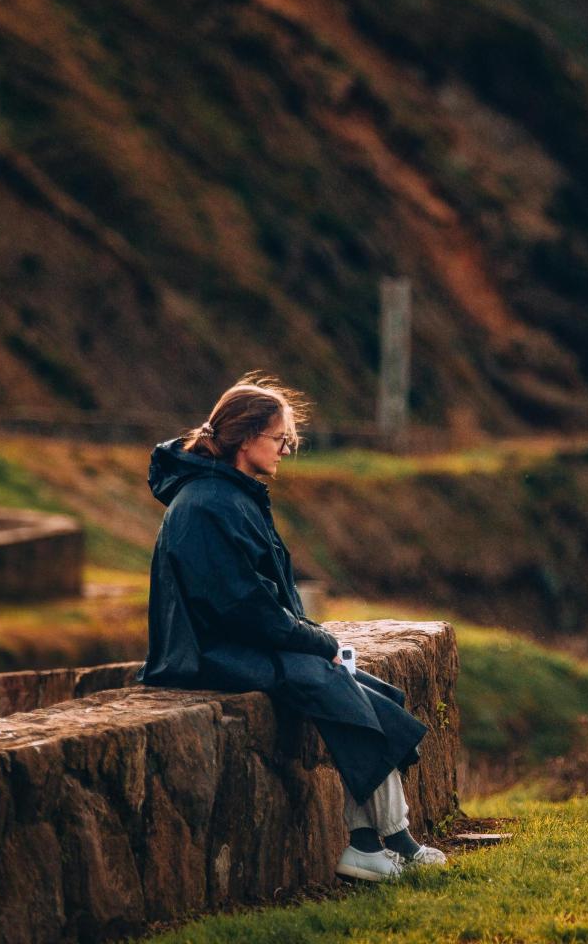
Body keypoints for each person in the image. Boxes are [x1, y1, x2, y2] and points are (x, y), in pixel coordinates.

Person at [139, 371, 446, 881]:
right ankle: (384, 844)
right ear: (245, 438)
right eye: (282, 439)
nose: (286, 450)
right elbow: (243, 607)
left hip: (236, 645)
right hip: (205, 656)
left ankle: (379, 842)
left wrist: (311, 641)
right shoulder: (206, 505)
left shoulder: (228, 495)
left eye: (290, 441)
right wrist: (316, 639)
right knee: (333, 682)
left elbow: (256, 602)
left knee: (368, 691)